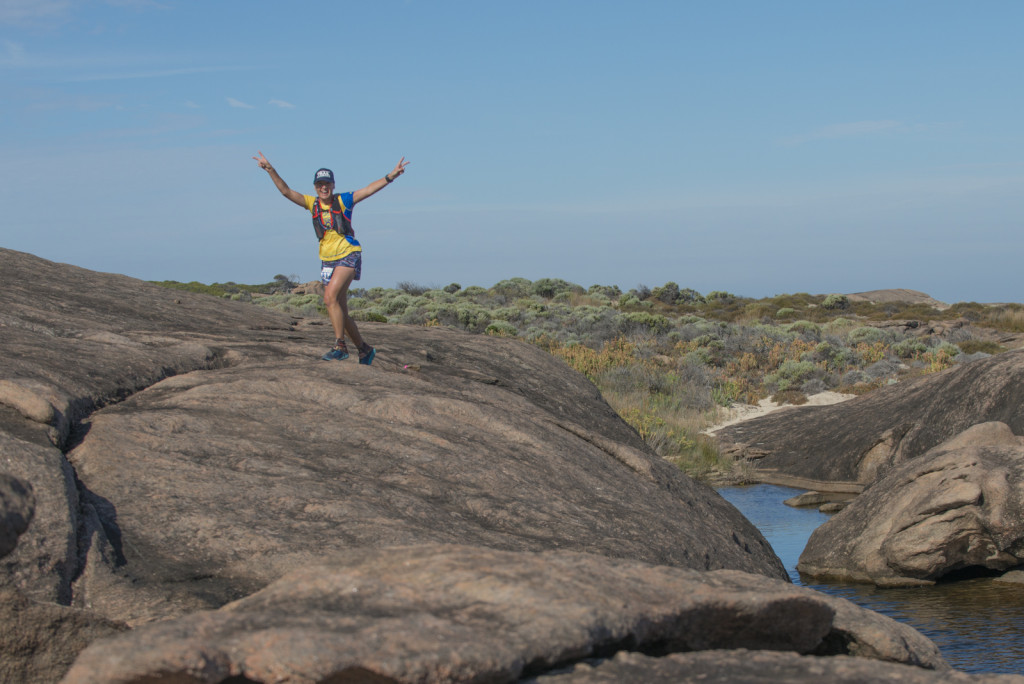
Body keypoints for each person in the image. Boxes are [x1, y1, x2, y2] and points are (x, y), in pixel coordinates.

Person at [253, 151, 409, 364]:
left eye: (327, 184)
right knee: (340, 312)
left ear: (333, 185)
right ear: (315, 187)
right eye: (319, 185)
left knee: (329, 298)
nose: (323, 188)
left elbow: (368, 190)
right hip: (327, 260)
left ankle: (340, 346)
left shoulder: (344, 200)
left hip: (348, 254)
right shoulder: (312, 203)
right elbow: (286, 191)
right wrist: (270, 169)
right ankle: (364, 349)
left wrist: (391, 176)